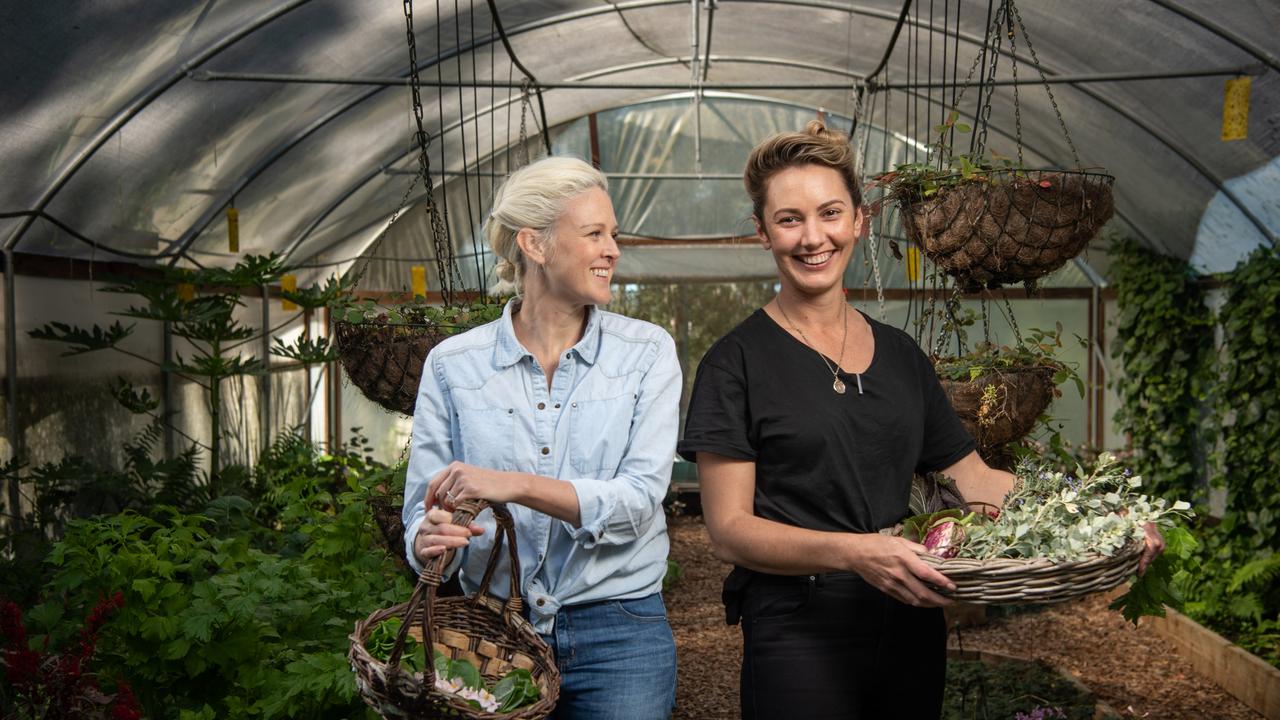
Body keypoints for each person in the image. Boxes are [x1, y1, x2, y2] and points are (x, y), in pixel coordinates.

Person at [677, 122, 1164, 718]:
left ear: (860, 220)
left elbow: (978, 482)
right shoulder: (736, 363)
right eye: (789, 219)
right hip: (798, 630)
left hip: (909, 615)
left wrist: (1109, 517)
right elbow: (729, 530)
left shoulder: (903, 356)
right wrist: (858, 553)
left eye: (830, 213)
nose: (813, 238)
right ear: (762, 232)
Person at [403, 156, 680, 720]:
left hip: (618, 628)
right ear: (534, 244)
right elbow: (420, 512)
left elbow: (637, 503)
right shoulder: (454, 365)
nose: (613, 250)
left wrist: (515, 485)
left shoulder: (646, 353)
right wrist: (427, 536)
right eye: (594, 233)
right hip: (490, 632)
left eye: (614, 234)